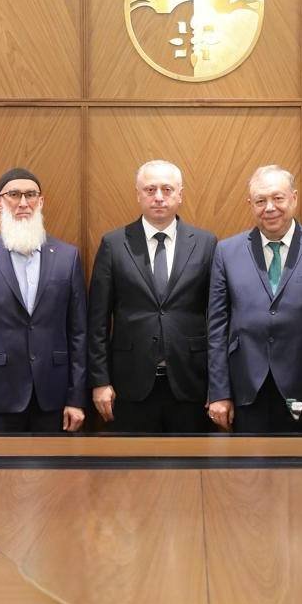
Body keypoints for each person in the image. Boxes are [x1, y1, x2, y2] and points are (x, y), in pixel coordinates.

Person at [206, 165, 302, 432]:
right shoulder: (226, 252)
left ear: (293, 198)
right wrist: (219, 393)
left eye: (278, 198)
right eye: (260, 201)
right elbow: (216, 329)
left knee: (299, 460)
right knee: (248, 460)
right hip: (246, 390)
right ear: (250, 204)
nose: (269, 207)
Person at [88, 160, 217, 432]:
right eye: (150, 189)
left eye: (167, 189)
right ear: (138, 195)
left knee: (191, 459)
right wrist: (100, 381)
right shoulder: (114, 244)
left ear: (180, 194)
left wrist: (218, 387)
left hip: (191, 382)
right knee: (133, 460)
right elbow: (97, 321)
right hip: (129, 384)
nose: (158, 197)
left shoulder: (206, 244)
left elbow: (217, 319)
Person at [0, 168, 87, 433]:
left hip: (55, 397)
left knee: (56, 462)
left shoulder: (68, 257)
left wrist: (76, 398)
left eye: (31, 195)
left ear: (41, 201)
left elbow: (79, 333)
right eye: (14, 195)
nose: (23, 203)